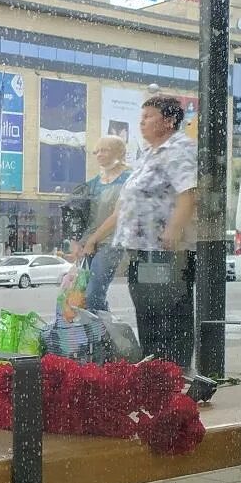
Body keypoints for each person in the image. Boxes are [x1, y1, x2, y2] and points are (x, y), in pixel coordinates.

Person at [84, 96, 197, 369]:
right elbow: (123, 207)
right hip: (141, 251)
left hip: (165, 252)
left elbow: (189, 191)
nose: (142, 122)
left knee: (169, 315)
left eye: (148, 116)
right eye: (141, 116)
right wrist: (94, 238)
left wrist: (173, 229)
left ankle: (175, 372)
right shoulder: (147, 155)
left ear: (169, 121)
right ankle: (154, 371)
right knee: (148, 313)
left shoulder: (178, 148)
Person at [76, 135, 130, 312]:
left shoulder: (129, 179)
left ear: (119, 152)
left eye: (104, 150)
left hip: (111, 242)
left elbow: (118, 215)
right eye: (96, 151)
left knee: (94, 293)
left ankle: (100, 327)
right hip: (90, 244)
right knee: (82, 295)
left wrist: (92, 240)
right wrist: (79, 242)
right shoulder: (93, 184)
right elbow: (85, 216)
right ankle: (98, 325)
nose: (99, 154)